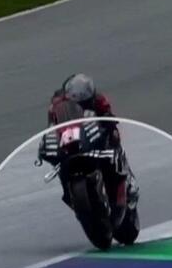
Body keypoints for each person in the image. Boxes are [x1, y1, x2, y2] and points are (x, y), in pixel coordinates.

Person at [44, 73, 138, 210]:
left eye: (85, 100)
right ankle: (67, 190)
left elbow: (108, 115)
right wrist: (49, 140)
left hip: (94, 133)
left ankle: (128, 176)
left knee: (114, 138)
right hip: (71, 137)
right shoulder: (58, 103)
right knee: (59, 159)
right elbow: (52, 124)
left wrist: (109, 124)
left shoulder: (99, 100)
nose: (81, 103)